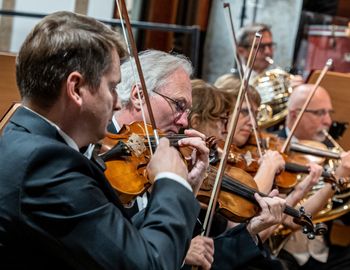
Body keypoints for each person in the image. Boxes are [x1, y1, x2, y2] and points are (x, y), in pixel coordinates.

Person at [0, 11, 205, 270]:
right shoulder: (47, 164)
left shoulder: (23, 140)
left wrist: (185, 187)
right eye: (112, 87)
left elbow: (116, 241)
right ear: (76, 89)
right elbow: (148, 265)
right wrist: (171, 182)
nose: (118, 102)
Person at [112, 50, 287, 270]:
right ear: (138, 96)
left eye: (187, 110)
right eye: (179, 105)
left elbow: (201, 257)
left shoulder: (157, 157)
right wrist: (181, 252)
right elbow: (118, 250)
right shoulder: (102, 154)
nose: (184, 121)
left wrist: (189, 189)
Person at [276, 83, 350, 270]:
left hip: (322, 251)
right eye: (320, 113)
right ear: (294, 114)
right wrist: (336, 178)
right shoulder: (270, 146)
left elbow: (342, 211)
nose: (328, 121)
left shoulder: (329, 152)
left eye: (329, 113)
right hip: (282, 252)